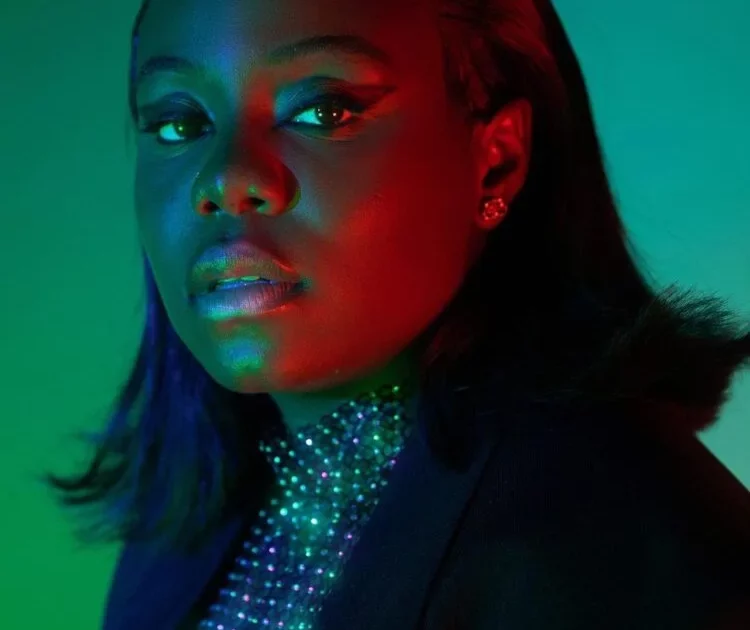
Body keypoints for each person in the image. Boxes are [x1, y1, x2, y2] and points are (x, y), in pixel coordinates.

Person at [46, 0, 750, 628]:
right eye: (179, 123)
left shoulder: (632, 554)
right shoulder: (181, 531)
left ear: (496, 160)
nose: (227, 179)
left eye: (324, 111)